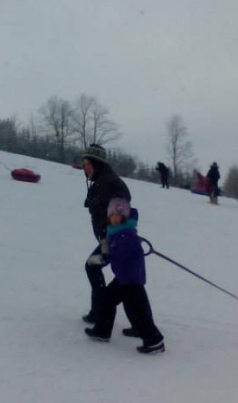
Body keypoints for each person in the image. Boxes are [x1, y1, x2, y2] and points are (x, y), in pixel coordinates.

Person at [84, 198, 165, 354]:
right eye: (112, 216)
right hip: (123, 277)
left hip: (131, 280)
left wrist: (102, 258)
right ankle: (102, 331)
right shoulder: (117, 232)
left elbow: (118, 255)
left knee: (137, 312)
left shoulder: (126, 234)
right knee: (106, 300)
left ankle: (154, 341)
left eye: (118, 216)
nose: (114, 219)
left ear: (124, 218)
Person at [81, 144, 131, 325]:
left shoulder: (109, 183)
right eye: (84, 164)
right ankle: (140, 324)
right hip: (113, 238)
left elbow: (123, 208)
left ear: (97, 164)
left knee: (93, 267)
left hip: (116, 239)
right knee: (127, 280)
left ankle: (99, 311)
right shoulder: (103, 182)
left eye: (88, 164)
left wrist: (110, 237)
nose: (85, 168)